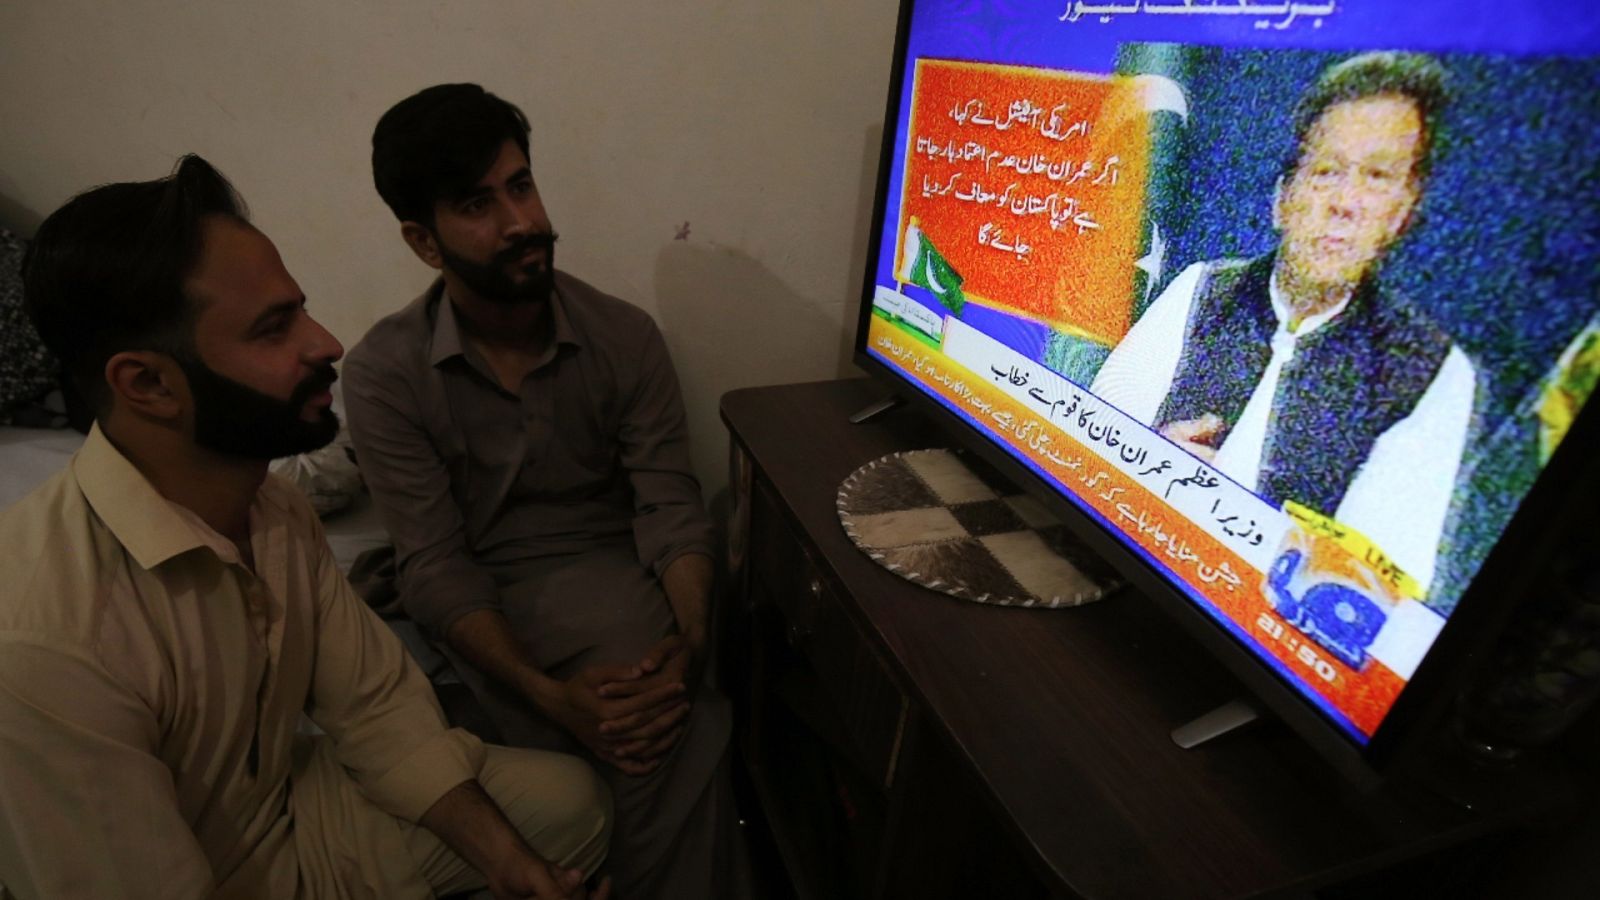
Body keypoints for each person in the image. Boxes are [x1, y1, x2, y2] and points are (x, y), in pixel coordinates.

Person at [0, 156, 612, 900]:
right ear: (150, 384)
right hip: (184, 868)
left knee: (567, 805)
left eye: (301, 309)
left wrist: (508, 865)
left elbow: (375, 705)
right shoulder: (46, 641)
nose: (326, 343)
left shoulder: (272, 506)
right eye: (273, 328)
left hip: (282, 816)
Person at [343, 84, 746, 900]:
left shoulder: (623, 336)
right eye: (477, 205)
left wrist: (691, 644)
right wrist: (550, 697)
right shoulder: (384, 373)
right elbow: (435, 564)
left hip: (610, 581)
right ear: (423, 241)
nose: (520, 221)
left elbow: (669, 510)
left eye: (521, 186)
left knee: (656, 716)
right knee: (618, 737)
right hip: (481, 602)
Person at [1091, 52, 1477, 592]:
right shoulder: (1202, 290)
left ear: (1401, 214)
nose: (1345, 203)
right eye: (1326, 171)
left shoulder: (1431, 372)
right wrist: (1148, 458)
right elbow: (1085, 445)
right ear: (1282, 199)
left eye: (1377, 177)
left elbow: (1371, 588)